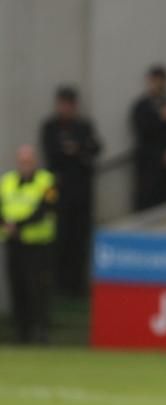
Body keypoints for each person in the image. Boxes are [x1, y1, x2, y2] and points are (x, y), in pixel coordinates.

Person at [40, 85, 102, 297]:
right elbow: (52, 154)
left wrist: (77, 151)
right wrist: (73, 152)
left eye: (69, 105)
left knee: (79, 239)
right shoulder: (50, 127)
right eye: (62, 104)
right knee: (61, 238)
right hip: (59, 190)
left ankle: (77, 286)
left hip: (82, 191)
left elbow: (94, 148)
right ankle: (59, 286)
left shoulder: (84, 126)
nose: (65, 108)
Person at [1, 145, 58, 344]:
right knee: (17, 286)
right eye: (22, 161)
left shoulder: (47, 181)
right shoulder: (6, 181)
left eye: (29, 161)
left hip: (38, 243)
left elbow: (47, 208)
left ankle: (41, 330)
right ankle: (21, 332)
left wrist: (18, 225)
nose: (25, 165)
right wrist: (6, 226)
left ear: (35, 162)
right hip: (13, 243)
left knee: (38, 287)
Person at [131, 65, 166, 210]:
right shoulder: (141, 106)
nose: (159, 84)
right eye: (156, 80)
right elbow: (143, 132)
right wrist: (161, 119)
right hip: (149, 165)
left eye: (162, 80)